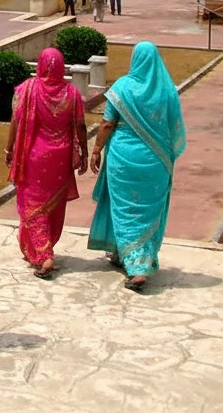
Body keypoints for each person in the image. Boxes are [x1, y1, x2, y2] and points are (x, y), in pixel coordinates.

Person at [88, 42, 187, 292]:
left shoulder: (122, 87)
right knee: (146, 212)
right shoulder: (167, 91)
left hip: (123, 160)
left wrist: (97, 149)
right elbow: (174, 128)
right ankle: (130, 255)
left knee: (125, 210)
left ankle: (137, 267)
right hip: (156, 162)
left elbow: (108, 123)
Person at [5, 47, 88, 278]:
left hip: (32, 157)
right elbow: (80, 125)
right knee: (52, 206)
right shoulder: (72, 94)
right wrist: (84, 151)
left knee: (33, 207)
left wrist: (9, 148)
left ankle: (44, 255)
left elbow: (15, 121)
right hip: (59, 160)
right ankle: (40, 249)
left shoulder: (26, 90)